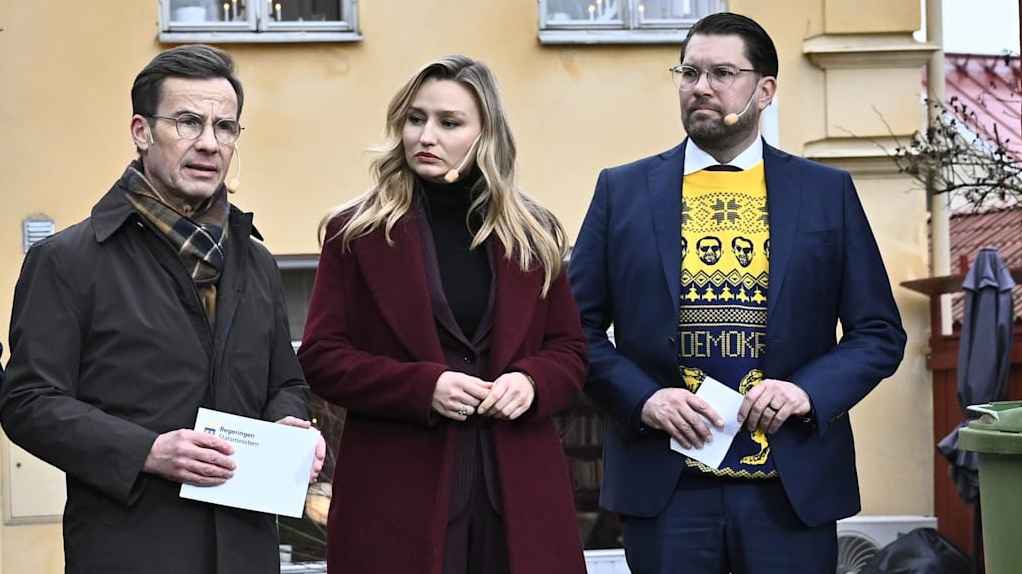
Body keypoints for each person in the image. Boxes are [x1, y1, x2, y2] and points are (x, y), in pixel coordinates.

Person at [569, 12, 907, 574]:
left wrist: (806, 392)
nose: (700, 87)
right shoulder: (621, 191)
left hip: (789, 488)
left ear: (765, 90)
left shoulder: (826, 193)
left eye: (722, 73)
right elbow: (572, 330)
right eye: (689, 73)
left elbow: (879, 333)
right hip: (667, 487)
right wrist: (645, 400)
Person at [0, 45, 324, 574]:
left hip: (246, 552)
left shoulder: (256, 261)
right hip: (130, 551)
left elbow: (285, 382)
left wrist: (289, 425)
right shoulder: (67, 260)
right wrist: (147, 451)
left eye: (225, 127)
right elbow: (27, 402)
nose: (209, 143)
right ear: (141, 131)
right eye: (188, 122)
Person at [298, 55, 587, 574]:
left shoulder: (533, 232)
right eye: (416, 119)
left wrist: (530, 381)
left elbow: (569, 351)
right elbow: (321, 357)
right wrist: (423, 387)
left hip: (520, 499)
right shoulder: (356, 232)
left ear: (486, 135)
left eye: (449, 123)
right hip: (397, 498)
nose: (425, 136)